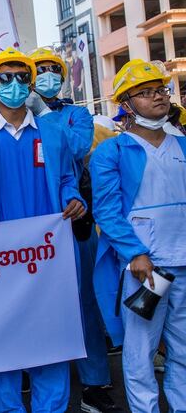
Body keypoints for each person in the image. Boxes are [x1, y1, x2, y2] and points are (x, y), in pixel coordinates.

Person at [0, 47, 87, 413]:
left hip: (48, 257)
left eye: (22, 77)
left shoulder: (52, 131)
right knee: (3, 342)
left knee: (52, 338)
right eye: (5, 78)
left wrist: (73, 199)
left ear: (31, 84)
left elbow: (69, 177)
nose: (15, 85)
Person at [28, 47, 122, 412]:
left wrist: (44, 114)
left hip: (74, 218)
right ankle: (36, 372)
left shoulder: (77, 115)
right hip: (33, 224)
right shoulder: (14, 119)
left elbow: (73, 150)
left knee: (83, 301)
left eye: (54, 69)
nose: (48, 75)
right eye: (40, 69)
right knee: (34, 301)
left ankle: (95, 382)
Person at [90, 59, 186, 413]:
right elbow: (107, 211)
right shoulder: (110, 151)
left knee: (184, 349)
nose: (158, 97)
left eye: (160, 89)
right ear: (126, 105)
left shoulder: (183, 145)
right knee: (140, 351)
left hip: (184, 260)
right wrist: (135, 253)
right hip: (147, 269)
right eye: (145, 93)